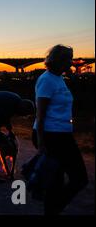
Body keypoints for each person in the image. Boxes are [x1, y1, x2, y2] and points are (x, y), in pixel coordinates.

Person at [33, 44, 88, 215]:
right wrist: (41, 143)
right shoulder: (47, 80)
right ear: (58, 60)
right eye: (68, 59)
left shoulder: (58, 79)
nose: (71, 62)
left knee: (56, 182)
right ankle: (53, 209)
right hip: (51, 135)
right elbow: (40, 114)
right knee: (78, 178)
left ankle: (52, 210)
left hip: (62, 134)